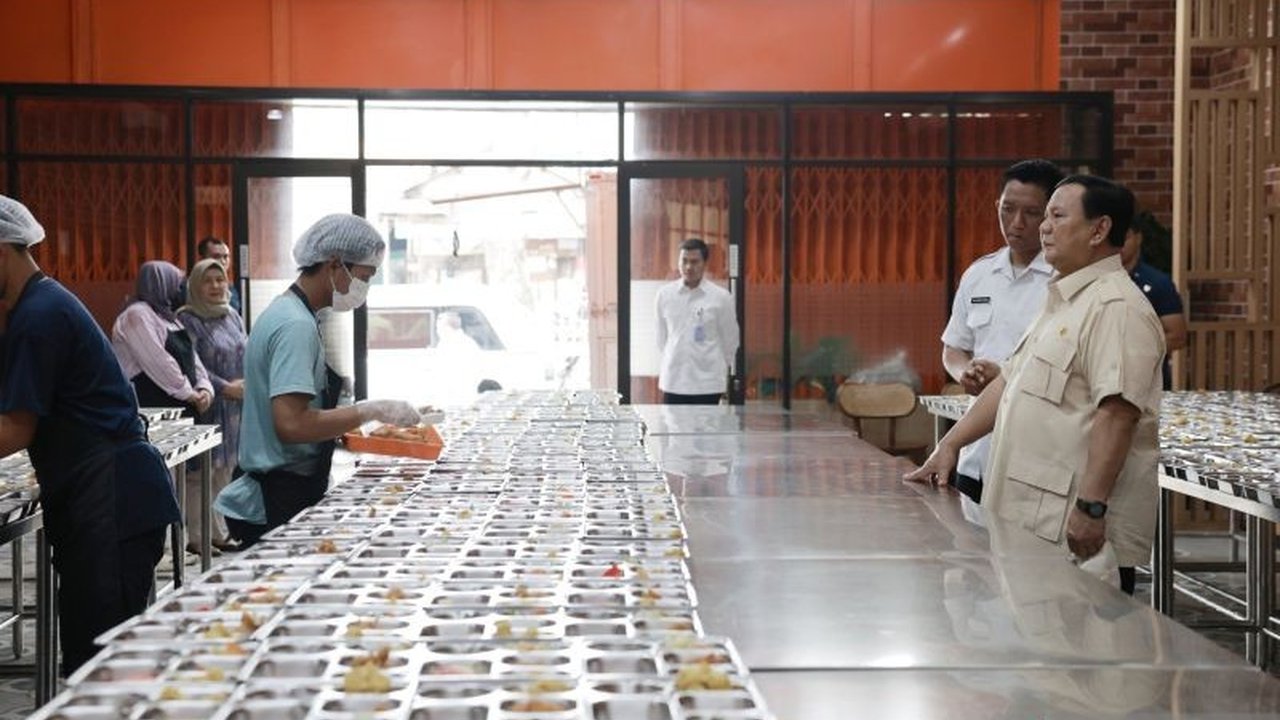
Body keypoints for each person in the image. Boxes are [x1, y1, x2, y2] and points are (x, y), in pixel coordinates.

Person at [907, 175, 1165, 596]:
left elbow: (1117, 414)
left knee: (1083, 653)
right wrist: (949, 445)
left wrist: (1091, 506)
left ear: (1099, 229)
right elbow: (1009, 381)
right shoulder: (1064, 301)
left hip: (1073, 525)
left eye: (1056, 216)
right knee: (1040, 649)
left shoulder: (1115, 307)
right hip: (1033, 520)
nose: (1043, 226)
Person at [0, 195, 181, 673]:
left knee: (102, 661)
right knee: (96, 652)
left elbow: (16, 429)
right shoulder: (39, 306)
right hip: (99, 498)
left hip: (111, 500)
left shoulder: (38, 317)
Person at [215, 213, 420, 546]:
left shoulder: (290, 313)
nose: (363, 289)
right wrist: (370, 410)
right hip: (278, 496)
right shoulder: (295, 325)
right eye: (364, 277)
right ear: (335, 265)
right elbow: (291, 424)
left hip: (283, 485)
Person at [941, 159, 1064, 517]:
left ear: (1052, 215)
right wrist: (964, 371)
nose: (1016, 223)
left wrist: (1006, 378)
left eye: (1031, 213)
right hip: (977, 452)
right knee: (974, 566)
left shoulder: (1065, 279)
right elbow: (954, 346)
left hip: (1038, 461)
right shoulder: (980, 274)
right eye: (1007, 209)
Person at [177, 258, 246, 554]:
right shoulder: (186, 319)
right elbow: (192, 365)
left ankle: (220, 532)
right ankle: (198, 536)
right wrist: (224, 387)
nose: (217, 286)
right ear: (195, 285)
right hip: (208, 403)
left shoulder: (232, 314)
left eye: (221, 279)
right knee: (200, 473)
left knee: (226, 470)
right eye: (209, 281)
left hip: (235, 407)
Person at [112, 261, 215, 419]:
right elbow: (158, 361)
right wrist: (188, 393)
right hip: (155, 408)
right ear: (161, 284)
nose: (179, 290)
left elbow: (193, 359)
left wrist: (205, 388)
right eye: (176, 284)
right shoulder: (137, 314)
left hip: (185, 404)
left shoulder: (169, 318)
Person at [655, 238, 739, 405]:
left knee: (707, 430)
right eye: (684, 261)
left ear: (704, 263)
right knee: (673, 430)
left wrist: (716, 368)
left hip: (708, 384)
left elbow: (731, 340)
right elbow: (661, 339)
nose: (688, 267)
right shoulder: (664, 295)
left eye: (694, 262)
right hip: (674, 381)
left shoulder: (721, 298)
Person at [1121, 211, 1187, 390]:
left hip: (1149, 382)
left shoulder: (1158, 283)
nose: (1118, 245)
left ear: (1138, 238)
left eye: (1124, 238)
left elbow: (1178, 337)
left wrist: (1130, 350)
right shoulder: (1097, 280)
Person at [196, 236, 242, 313]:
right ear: (202, 259)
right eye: (216, 256)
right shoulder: (191, 287)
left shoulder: (230, 287)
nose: (223, 262)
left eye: (225, 257)